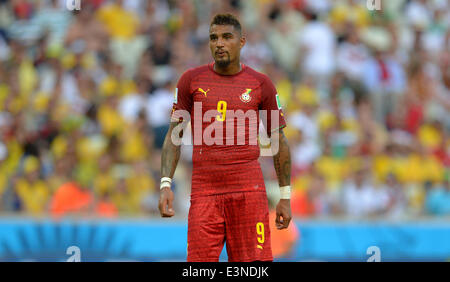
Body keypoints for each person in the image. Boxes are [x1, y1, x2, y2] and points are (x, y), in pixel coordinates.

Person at [158, 14, 292, 262]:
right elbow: (173, 136)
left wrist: (285, 196)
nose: (219, 43)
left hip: (248, 193)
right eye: (213, 38)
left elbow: (279, 141)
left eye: (226, 37)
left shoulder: (261, 84)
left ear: (242, 42)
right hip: (204, 193)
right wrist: (166, 183)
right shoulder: (191, 80)